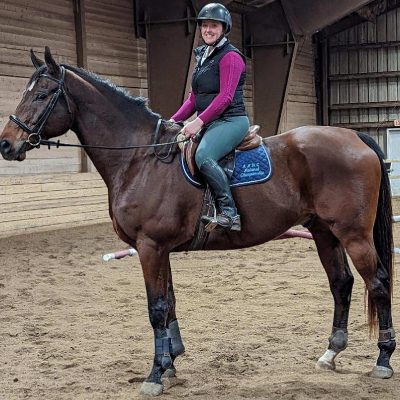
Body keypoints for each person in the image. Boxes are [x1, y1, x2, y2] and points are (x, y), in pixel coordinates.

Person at [170, 2, 249, 232]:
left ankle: (229, 212)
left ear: (224, 28)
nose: (208, 30)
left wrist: (197, 122)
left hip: (231, 120)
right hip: (212, 122)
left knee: (204, 154)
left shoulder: (231, 57)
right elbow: (194, 99)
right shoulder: (203, 57)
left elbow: (225, 98)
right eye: (205, 26)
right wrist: (172, 121)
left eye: (213, 26)